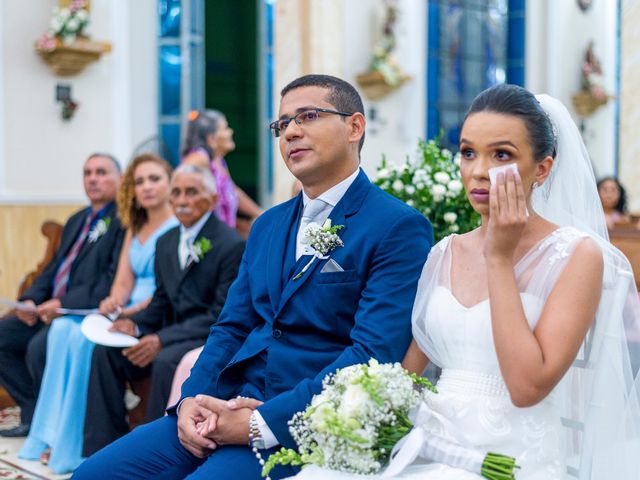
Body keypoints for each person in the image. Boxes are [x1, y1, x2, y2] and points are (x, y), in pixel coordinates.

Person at [73, 74, 434, 480]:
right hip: (225, 402)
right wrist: (192, 398)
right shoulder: (267, 225)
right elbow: (231, 325)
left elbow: (371, 355)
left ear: (354, 127)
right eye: (282, 125)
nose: (291, 131)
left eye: (309, 116)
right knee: (93, 474)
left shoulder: (397, 227)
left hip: (304, 423)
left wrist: (259, 423)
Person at [292, 85, 640, 480]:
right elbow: (408, 374)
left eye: (502, 155)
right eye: (468, 152)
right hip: (429, 441)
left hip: (510, 458)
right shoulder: (445, 251)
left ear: (541, 169)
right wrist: (363, 421)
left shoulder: (578, 254)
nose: (477, 171)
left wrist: (499, 258)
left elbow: (527, 389)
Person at [18, 154, 177, 473]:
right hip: (123, 309)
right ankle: (53, 433)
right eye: (140, 181)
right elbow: (122, 282)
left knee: (81, 340)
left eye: (154, 179)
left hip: (151, 314)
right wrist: (112, 304)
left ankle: (79, 440)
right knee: (63, 330)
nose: (146, 187)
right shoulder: (136, 227)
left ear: (169, 183)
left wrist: (127, 313)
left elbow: (167, 292)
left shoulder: (176, 226)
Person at [81, 164, 245, 458]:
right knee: (105, 351)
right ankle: (102, 447)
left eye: (191, 192)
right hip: (170, 331)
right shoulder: (166, 242)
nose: (182, 200)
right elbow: (161, 301)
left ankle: (150, 452)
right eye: (177, 193)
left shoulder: (230, 244)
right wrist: (135, 325)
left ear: (210, 199)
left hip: (205, 335)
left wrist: (161, 339)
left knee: (166, 359)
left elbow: (220, 314)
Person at [0, 153, 124, 439]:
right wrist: (30, 300)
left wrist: (63, 304)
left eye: (101, 172)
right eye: (87, 173)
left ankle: (59, 427)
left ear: (119, 179)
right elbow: (53, 269)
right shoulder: (77, 219)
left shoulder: (122, 221)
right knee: (3, 335)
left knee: (38, 348)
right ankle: (33, 412)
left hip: (83, 313)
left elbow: (109, 281)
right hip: (47, 309)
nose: (93, 178)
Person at [182, 109, 264, 228]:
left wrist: (261, 214)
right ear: (211, 139)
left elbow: (233, 192)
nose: (230, 132)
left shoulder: (218, 160)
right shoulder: (198, 159)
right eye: (225, 128)